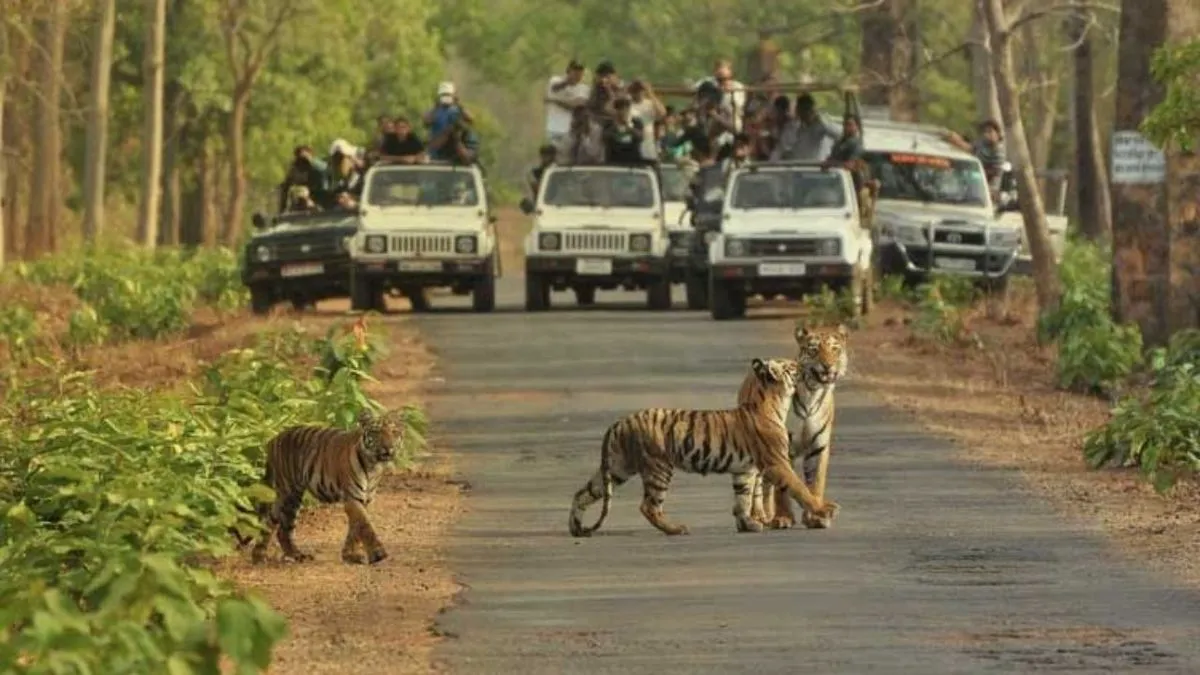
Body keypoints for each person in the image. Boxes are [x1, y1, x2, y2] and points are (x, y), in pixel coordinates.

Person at [943, 120, 1007, 192]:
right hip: (973, 182)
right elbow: (970, 148)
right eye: (985, 132)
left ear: (997, 133)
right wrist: (956, 140)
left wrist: (974, 172)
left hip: (988, 188)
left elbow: (993, 172)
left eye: (990, 131)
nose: (987, 135)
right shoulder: (983, 143)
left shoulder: (998, 150)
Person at [423, 81, 475, 161]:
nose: (446, 98)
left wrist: (459, 104)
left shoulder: (458, 109)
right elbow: (426, 122)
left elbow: (471, 119)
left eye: (448, 95)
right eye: (443, 95)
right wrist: (436, 105)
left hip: (454, 148)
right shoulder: (435, 111)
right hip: (437, 148)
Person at [545, 60, 592, 145]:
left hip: (570, 131)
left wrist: (554, 101)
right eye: (575, 71)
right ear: (569, 70)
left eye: (580, 72)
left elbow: (574, 106)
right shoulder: (555, 80)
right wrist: (567, 82)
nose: (577, 74)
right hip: (554, 128)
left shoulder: (584, 88)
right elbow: (554, 88)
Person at [791, 93, 841, 161]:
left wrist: (820, 120)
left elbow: (839, 133)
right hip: (801, 165)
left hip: (818, 165)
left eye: (804, 110)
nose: (799, 113)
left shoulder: (822, 125)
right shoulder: (800, 128)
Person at [278, 145, 329, 213]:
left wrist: (314, 205)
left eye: (304, 162)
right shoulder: (295, 170)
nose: (302, 165)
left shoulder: (319, 170)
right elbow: (285, 188)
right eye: (299, 162)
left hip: (320, 206)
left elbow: (325, 192)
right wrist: (282, 209)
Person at [627, 80, 665, 161]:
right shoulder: (627, 104)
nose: (638, 92)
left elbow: (662, 113)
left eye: (640, 90)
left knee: (649, 162)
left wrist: (650, 93)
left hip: (647, 140)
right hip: (631, 140)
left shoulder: (650, 103)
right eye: (635, 90)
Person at [602, 97, 647, 166]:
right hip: (614, 159)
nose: (622, 112)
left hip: (633, 159)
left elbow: (641, 137)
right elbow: (604, 138)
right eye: (620, 109)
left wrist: (628, 126)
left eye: (625, 109)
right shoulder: (609, 123)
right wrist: (615, 126)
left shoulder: (636, 121)